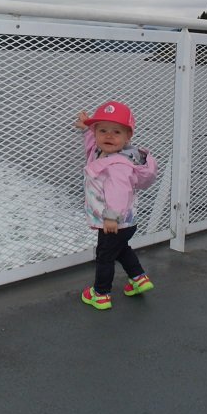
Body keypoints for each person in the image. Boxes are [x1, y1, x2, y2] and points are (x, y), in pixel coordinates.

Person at [74, 101, 158, 310]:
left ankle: (101, 294)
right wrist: (87, 128)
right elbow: (93, 148)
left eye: (116, 132)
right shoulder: (104, 151)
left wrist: (111, 217)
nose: (108, 136)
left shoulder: (119, 165)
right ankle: (138, 278)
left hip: (114, 222)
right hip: (126, 223)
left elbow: (119, 193)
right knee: (121, 249)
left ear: (128, 137)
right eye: (102, 131)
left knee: (104, 256)